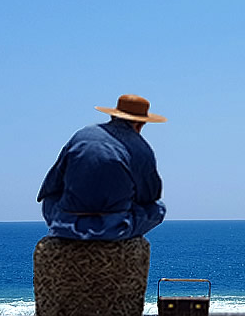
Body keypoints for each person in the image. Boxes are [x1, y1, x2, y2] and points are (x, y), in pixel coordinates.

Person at [37, 94, 167, 240]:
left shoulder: (82, 135)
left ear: (113, 116)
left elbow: (51, 185)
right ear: (140, 124)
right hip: (111, 228)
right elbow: (149, 196)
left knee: (50, 199)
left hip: (64, 224)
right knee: (158, 208)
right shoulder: (142, 149)